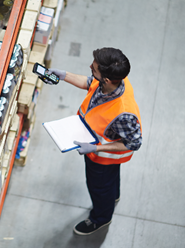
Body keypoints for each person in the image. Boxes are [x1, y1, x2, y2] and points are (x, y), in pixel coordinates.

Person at [46, 47, 142, 235]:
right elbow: (90, 83)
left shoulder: (124, 113)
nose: (90, 67)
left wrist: (96, 148)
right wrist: (64, 75)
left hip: (102, 159)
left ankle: (101, 218)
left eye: (94, 68)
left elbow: (134, 143)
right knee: (110, 184)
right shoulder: (114, 81)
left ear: (106, 79)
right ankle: (113, 196)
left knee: (99, 188)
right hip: (98, 152)